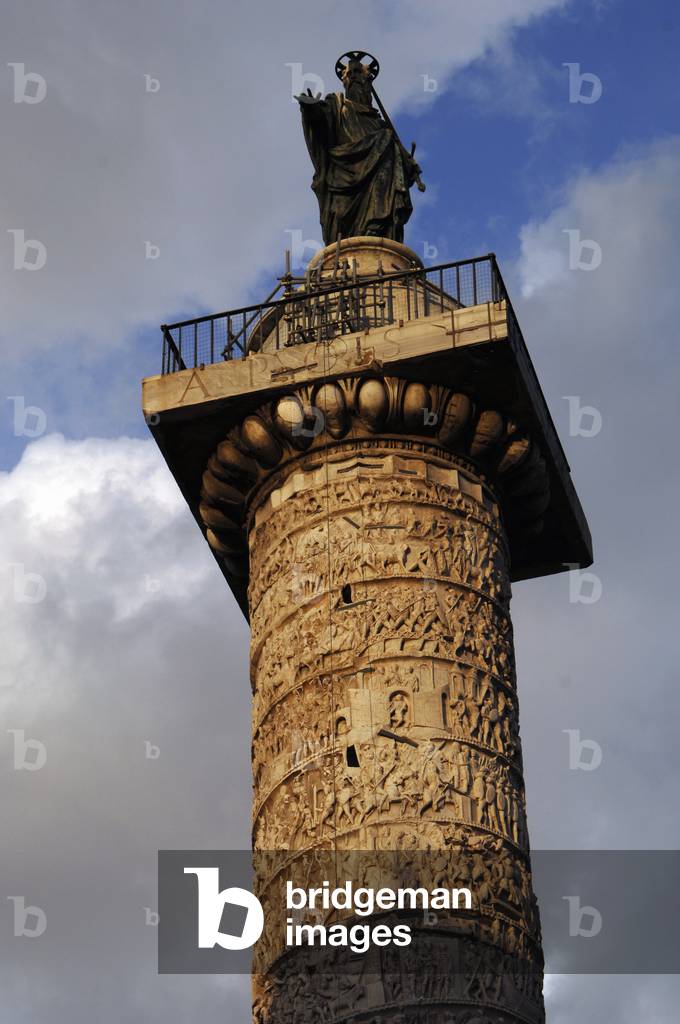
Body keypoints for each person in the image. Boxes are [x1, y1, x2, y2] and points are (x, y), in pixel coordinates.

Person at [296, 55, 423, 244]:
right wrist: (310, 109)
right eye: (349, 74)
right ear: (344, 82)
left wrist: (406, 166)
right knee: (385, 139)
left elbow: (396, 171)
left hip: (377, 185)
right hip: (344, 174)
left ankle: (377, 224)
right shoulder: (337, 105)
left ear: (368, 80)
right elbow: (320, 122)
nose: (353, 77)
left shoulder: (381, 125)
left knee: (386, 139)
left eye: (358, 72)